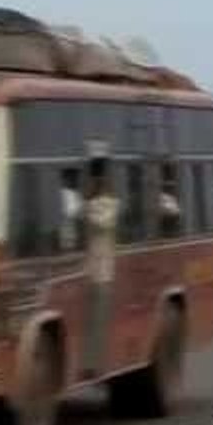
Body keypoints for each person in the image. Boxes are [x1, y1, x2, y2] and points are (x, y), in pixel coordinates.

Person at [83, 155, 119, 377]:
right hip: (84, 273)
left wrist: (86, 207)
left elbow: (102, 223)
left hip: (102, 271)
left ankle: (98, 365)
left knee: (98, 321)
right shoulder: (90, 202)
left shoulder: (110, 203)